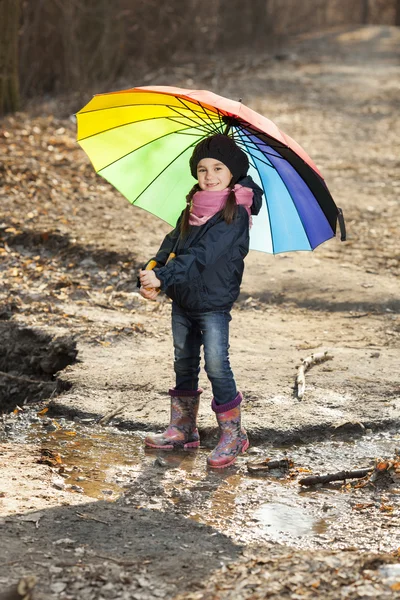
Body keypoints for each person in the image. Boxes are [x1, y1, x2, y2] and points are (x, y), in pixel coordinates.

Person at [139, 134, 263, 468]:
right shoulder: (192, 206)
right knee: (184, 360)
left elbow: (202, 255)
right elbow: (173, 243)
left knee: (217, 365)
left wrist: (165, 276)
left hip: (213, 302)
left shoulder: (235, 214)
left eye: (218, 168)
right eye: (202, 168)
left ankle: (234, 435)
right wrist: (153, 269)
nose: (209, 175)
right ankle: (183, 428)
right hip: (183, 299)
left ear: (232, 172)